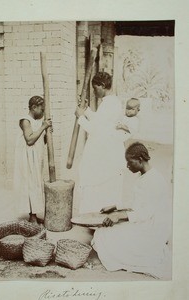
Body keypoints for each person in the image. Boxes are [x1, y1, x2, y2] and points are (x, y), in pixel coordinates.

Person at [91, 142, 172, 279]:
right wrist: (115, 206)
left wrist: (119, 216)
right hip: (144, 222)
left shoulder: (155, 181)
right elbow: (136, 202)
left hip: (152, 229)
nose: (127, 166)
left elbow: (145, 213)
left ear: (140, 159)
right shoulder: (145, 176)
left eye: (130, 162)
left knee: (105, 234)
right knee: (103, 231)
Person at [75, 71, 125, 214]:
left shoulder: (110, 104)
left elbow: (96, 129)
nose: (94, 91)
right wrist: (86, 110)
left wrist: (80, 118)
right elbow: (100, 121)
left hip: (106, 151)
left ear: (102, 85)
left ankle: (97, 217)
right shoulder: (110, 102)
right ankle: (96, 216)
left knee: (100, 181)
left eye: (95, 88)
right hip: (106, 148)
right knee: (100, 182)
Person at [14, 96, 52, 224]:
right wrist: (43, 127)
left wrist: (47, 133)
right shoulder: (25, 120)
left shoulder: (36, 121)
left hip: (35, 158)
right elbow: (30, 140)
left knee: (35, 184)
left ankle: (34, 214)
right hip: (26, 159)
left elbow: (40, 140)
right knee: (30, 185)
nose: (42, 113)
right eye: (41, 110)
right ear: (34, 107)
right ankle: (32, 216)